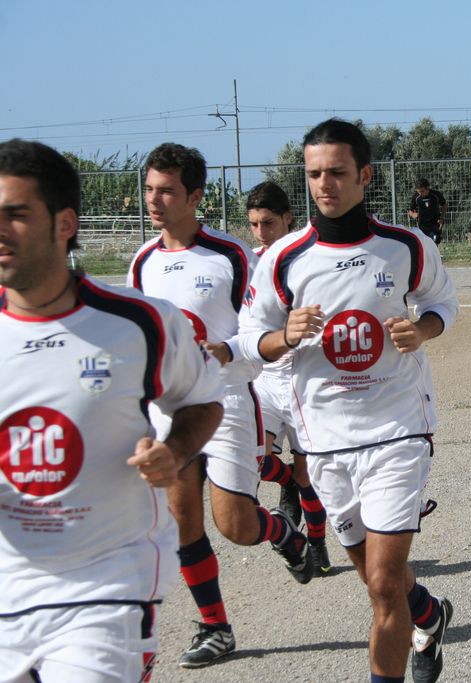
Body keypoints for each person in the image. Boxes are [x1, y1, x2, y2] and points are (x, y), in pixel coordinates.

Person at [238, 119, 456, 683]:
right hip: (325, 441)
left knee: (383, 585)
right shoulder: (283, 258)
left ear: (365, 175)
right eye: (314, 174)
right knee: (374, 576)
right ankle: (429, 613)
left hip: (398, 429)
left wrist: (422, 330)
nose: (324, 184)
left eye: (336, 172)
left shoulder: (406, 246)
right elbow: (250, 340)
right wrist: (285, 336)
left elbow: (442, 303)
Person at [0, 139, 223, 681]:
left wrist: (173, 452)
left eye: (16, 214)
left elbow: (202, 401)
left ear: (64, 223)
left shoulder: (140, 322)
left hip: (104, 587)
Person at [127, 144, 314, 669]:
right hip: (170, 409)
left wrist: (229, 352)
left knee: (235, 525)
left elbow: (260, 328)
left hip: (227, 400)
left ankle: (283, 533)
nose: (154, 200)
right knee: (183, 520)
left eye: (167, 191)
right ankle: (216, 628)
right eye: (150, 189)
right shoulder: (142, 262)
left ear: (194, 196)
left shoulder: (230, 257)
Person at [246, 181, 331, 575]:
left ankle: (318, 545)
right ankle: (288, 484)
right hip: (264, 380)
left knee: (306, 472)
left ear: (287, 219)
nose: (261, 232)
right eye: (254, 224)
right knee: (255, 459)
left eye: (268, 223)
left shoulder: (308, 259)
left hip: (303, 379)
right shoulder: (248, 263)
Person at [408, 178, 447, 245]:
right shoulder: (416, 197)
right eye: (418, 191)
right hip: (422, 226)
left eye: (422, 191)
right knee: (424, 246)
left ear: (427, 188)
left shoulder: (436, 195)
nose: (420, 193)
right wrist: (413, 215)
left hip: (435, 225)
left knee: (434, 245)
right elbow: (410, 211)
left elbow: (444, 205)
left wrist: (442, 218)